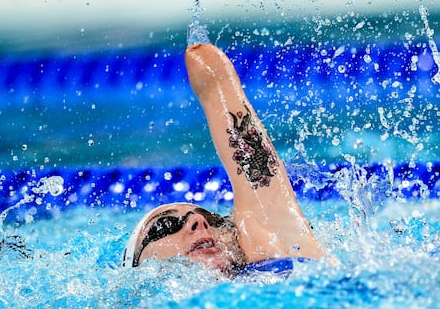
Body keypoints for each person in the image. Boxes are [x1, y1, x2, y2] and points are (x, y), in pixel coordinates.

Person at [121, 42, 328, 276]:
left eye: (217, 221)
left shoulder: (275, 249)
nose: (199, 222)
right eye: (166, 225)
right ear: (137, 265)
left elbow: (212, 71)